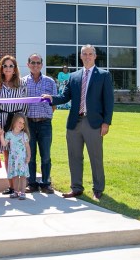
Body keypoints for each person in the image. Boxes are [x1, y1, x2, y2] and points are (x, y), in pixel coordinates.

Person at [46, 45, 114, 200]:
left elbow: (109, 101)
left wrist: (106, 123)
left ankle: (98, 189)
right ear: (81, 56)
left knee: (95, 157)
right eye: (85, 54)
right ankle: (76, 187)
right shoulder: (74, 76)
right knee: (74, 156)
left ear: (95, 56)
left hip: (94, 123)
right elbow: (64, 97)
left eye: (90, 54)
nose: (87, 56)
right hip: (74, 123)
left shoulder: (104, 75)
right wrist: (51, 98)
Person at [22, 53, 57, 194]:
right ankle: (32, 183)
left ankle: (46, 183)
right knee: (30, 154)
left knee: (46, 155)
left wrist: (46, 115)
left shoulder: (50, 82)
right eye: (32, 62)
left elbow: (54, 103)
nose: (35, 65)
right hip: (28, 124)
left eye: (38, 63)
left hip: (44, 124)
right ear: (28, 64)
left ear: (42, 65)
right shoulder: (22, 81)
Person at [0, 55, 28, 195]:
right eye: (5, 66)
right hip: (2, 119)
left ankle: (21, 187)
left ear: (15, 69)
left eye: (11, 66)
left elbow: (25, 104)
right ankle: (11, 186)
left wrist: (20, 124)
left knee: (18, 153)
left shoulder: (21, 84)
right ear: (1, 68)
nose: (8, 68)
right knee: (7, 156)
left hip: (16, 121)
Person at [2, 113, 31, 200]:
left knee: (22, 176)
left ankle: (22, 192)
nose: (22, 125)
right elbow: (4, 144)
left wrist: (28, 156)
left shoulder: (23, 135)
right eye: (20, 122)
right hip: (14, 159)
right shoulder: (9, 134)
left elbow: (27, 147)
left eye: (23, 123)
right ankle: (15, 191)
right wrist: (0, 135)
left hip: (22, 159)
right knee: (15, 176)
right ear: (14, 122)